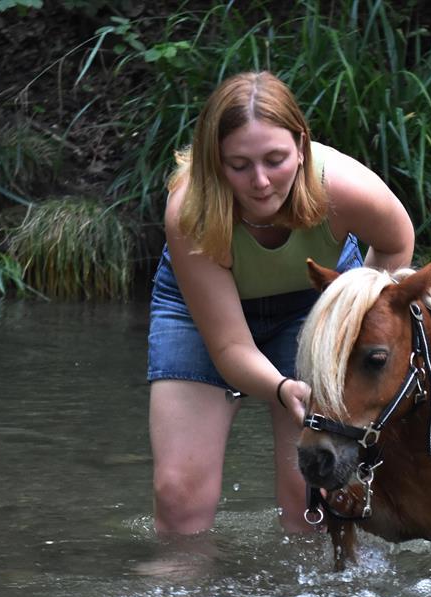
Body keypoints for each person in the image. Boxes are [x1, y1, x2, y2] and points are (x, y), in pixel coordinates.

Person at [146, 71, 414, 536]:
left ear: (302, 146)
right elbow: (230, 347)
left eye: (276, 159)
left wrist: (351, 318)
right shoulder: (189, 210)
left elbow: (397, 243)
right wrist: (282, 387)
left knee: (313, 493)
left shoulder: (345, 189)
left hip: (313, 304)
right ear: (215, 163)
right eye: (239, 165)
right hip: (198, 316)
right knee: (179, 497)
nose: (261, 181)